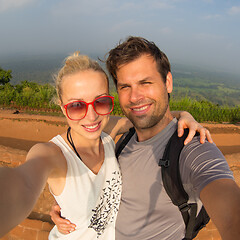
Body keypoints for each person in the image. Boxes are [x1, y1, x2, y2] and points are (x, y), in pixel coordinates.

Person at [0, 52, 211, 239]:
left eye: (100, 102)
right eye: (76, 106)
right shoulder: (52, 155)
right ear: (63, 109)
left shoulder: (108, 131)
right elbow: (21, 183)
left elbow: (150, 116)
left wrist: (185, 115)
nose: (91, 116)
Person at [51, 37, 240, 240]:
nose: (135, 97)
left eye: (145, 83)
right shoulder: (122, 139)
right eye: (125, 87)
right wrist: (70, 208)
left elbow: (230, 214)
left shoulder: (191, 149)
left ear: (168, 82)